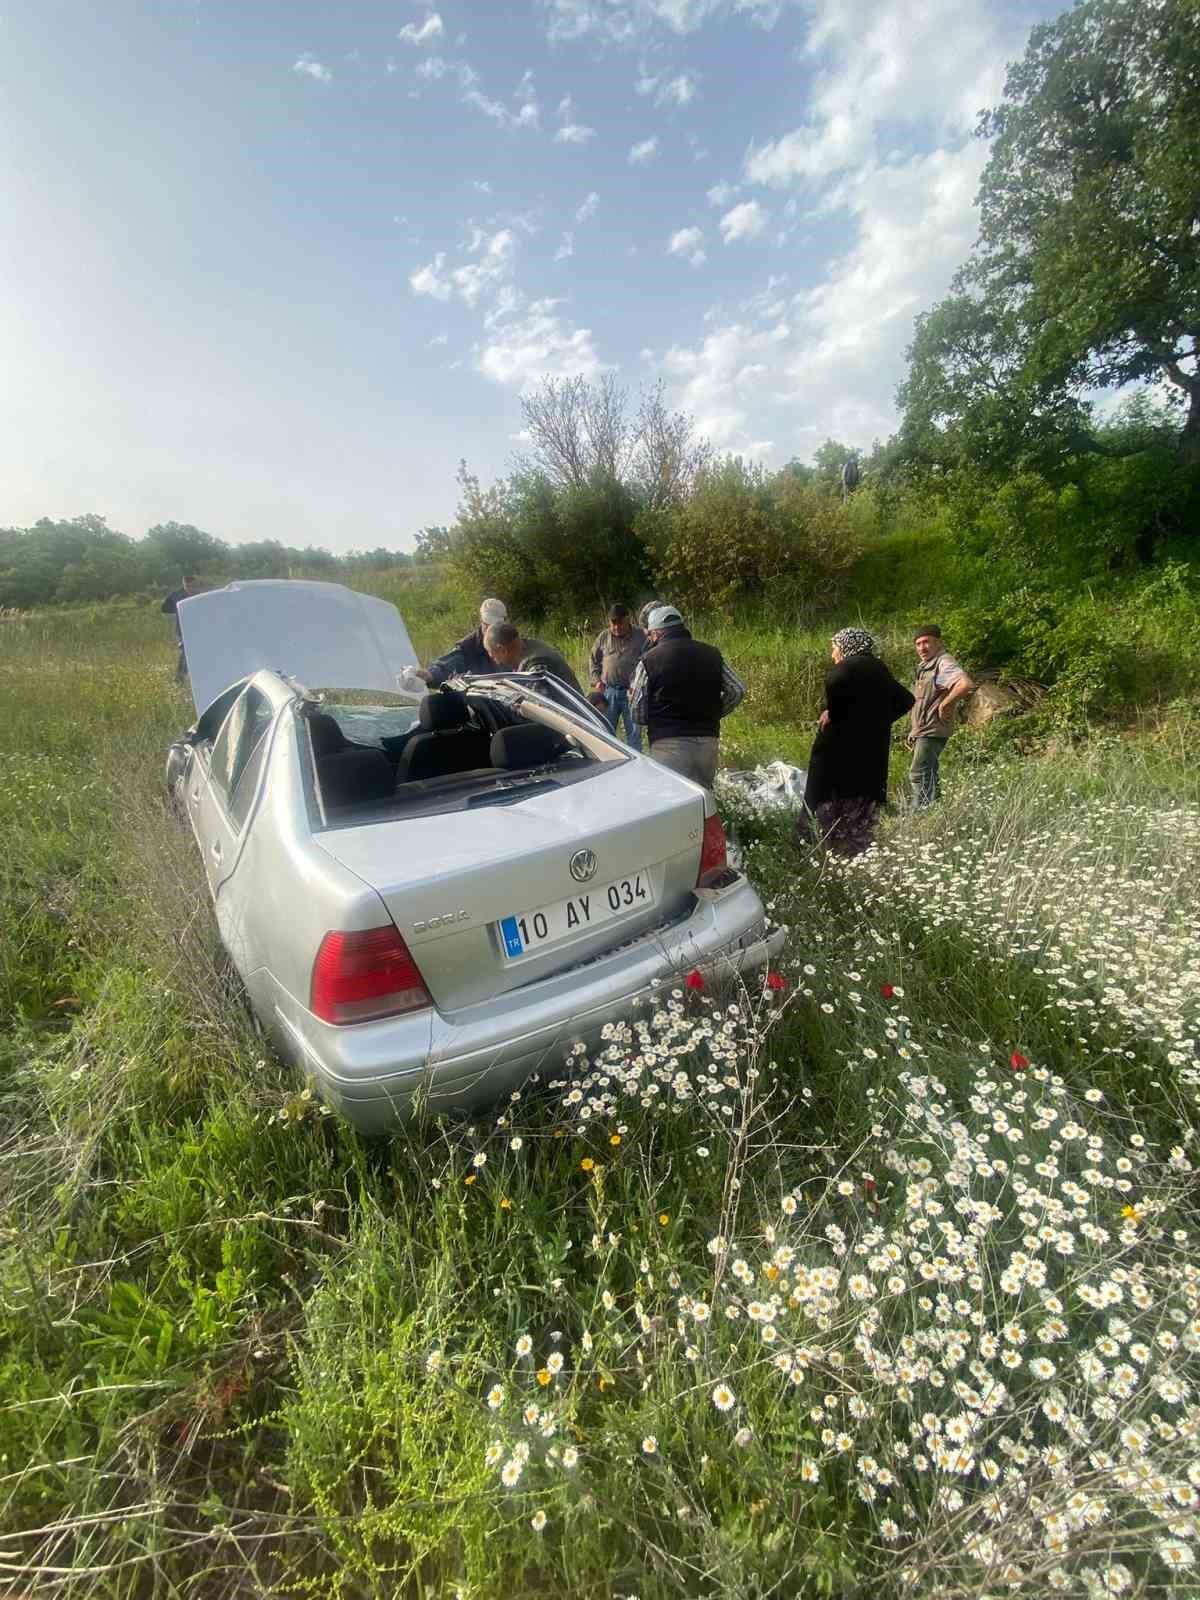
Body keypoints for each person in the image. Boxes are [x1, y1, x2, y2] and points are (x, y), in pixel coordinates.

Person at [799, 627, 914, 856]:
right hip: (870, 761)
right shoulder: (879, 669)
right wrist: (876, 722)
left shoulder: (845, 669)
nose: (833, 655)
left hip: (837, 762)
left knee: (826, 815)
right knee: (858, 821)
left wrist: (833, 713)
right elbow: (906, 699)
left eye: (834, 648)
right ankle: (855, 861)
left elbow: (837, 688)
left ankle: (819, 859)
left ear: (845, 647)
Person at [629, 605, 745, 790]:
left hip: (668, 744)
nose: (649, 639)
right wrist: (714, 713)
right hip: (707, 743)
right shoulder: (712, 654)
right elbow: (737, 690)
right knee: (703, 801)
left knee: (672, 799)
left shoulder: (649, 660)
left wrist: (653, 719)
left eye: (649, 636)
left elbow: (636, 711)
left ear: (656, 633)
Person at [908, 624, 974, 808]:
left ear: (938, 643)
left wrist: (946, 703)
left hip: (932, 729)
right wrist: (914, 731)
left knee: (919, 773)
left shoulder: (943, 662)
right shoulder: (926, 667)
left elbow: (965, 684)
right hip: (924, 729)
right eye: (918, 644)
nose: (922, 647)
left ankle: (920, 816)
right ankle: (934, 813)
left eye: (926, 642)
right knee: (929, 772)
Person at [590, 604, 646, 749]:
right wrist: (597, 681)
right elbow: (593, 660)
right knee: (605, 733)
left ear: (627, 619)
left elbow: (649, 661)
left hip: (632, 694)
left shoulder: (641, 636)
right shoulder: (603, 636)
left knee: (634, 736)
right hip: (609, 692)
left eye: (619, 623)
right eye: (612, 624)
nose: (616, 627)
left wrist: (641, 685)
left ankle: (636, 767)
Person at [416, 598, 508, 685]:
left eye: (494, 625)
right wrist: (428, 675)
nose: (489, 629)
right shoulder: (468, 646)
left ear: (504, 622)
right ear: (481, 620)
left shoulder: (512, 642)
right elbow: (447, 665)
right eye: (486, 624)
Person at [483, 621, 584, 695]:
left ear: (503, 650)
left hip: (572, 720)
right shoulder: (528, 646)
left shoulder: (537, 665)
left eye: (492, 655)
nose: (495, 661)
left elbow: (538, 709)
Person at [161, 574, 202, 683]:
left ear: (196, 585)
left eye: (192, 586)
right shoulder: (176, 595)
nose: (190, 589)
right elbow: (164, 608)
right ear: (183, 585)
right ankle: (179, 679)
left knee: (197, 653)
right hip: (182, 630)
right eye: (187, 586)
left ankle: (195, 678)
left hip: (198, 630)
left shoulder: (201, 596)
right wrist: (178, 609)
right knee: (186, 653)